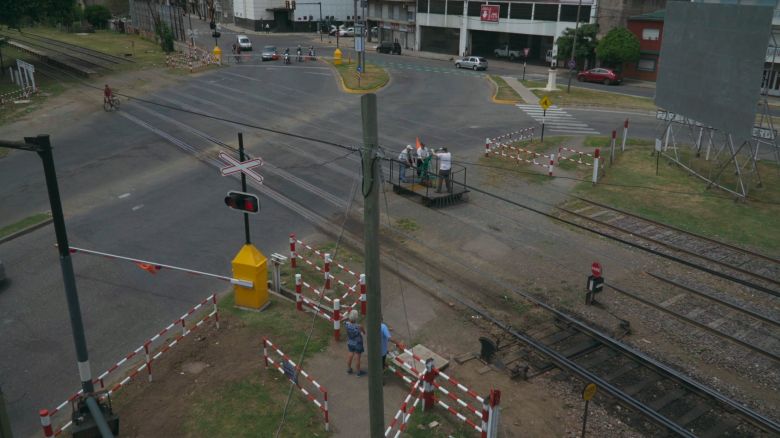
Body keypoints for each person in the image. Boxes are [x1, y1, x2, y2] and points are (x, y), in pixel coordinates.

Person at [345, 310, 366, 376]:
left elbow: (344, 320)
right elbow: (364, 333)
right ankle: (358, 372)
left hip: (350, 342)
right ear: (356, 318)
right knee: (357, 357)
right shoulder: (359, 326)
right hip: (358, 343)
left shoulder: (346, 324)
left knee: (350, 355)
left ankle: (349, 369)